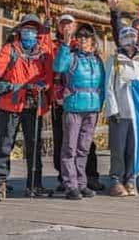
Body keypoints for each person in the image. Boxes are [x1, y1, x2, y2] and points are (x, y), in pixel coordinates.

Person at [0, 14, 54, 201]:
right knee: (5, 143)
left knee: (34, 145)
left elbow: (48, 75)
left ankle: (35, 183)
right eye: (26, 29)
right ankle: (0, 183)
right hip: (11, 103)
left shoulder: (42, 52)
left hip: (33, 103)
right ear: (20, 30)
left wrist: (44, 85)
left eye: (33, 29)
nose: (29, 32)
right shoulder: (10, 48)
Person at [50, 14, 104, 193]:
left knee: (84, 148)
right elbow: (58, 67)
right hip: (73, 107)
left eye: (86, 37)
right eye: (80, 37)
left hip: (92, 109)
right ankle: (70, 185)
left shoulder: (97, 61)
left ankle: (82, 184)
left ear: (92, 41)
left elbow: (101, 85)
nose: (82, 40)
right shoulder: (71, 57)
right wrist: (65, 45)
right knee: (70, 148)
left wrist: (100, 105)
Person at [105, 26, 139, 197]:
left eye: (132, 37)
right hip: (120, 110)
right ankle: (116, 179)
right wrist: (113, 109)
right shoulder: (115, 59)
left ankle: (131, 178)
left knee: (133, 148)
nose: (130, 41)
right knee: (118, 149)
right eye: (126, 38)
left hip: (137, 112)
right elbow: (109, 86)